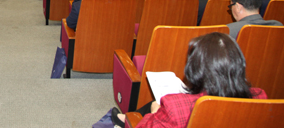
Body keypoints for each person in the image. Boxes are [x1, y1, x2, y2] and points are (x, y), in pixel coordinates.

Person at [114, 32, 267, 128]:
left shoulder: (175, 107)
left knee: (152, 106)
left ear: (194, 69)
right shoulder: (260, 97)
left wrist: (154, 113)